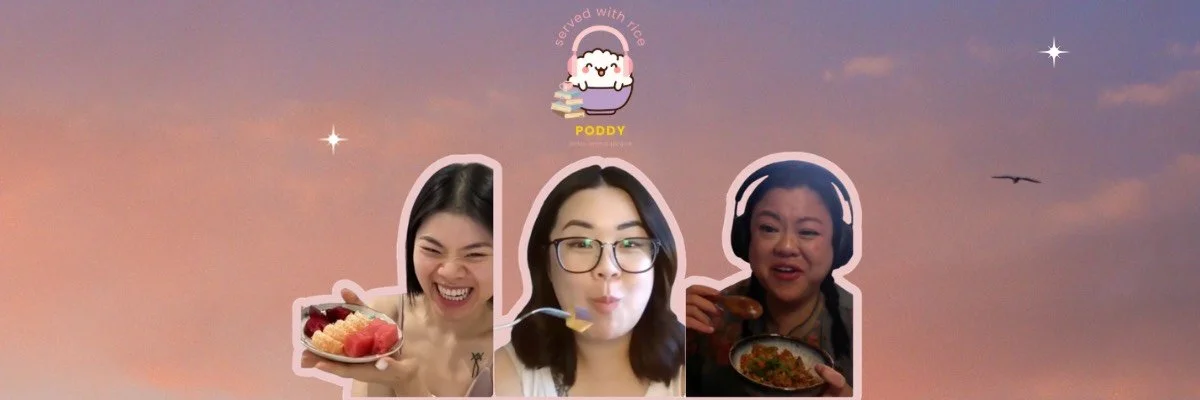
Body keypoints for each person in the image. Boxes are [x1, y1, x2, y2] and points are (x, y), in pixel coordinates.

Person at [300, 162, 495, 397]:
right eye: (433, 250)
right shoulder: (387, 316)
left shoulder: (517, 345)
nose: (450, 272)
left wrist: (407, 383)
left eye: (475, 254)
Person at [494, 164, 685, 397]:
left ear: (658, 264)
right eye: (581, 244)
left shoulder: (699, 372)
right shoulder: (502, 376)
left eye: (630, 243)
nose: (607, 268)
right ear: (546, 265)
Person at [685, 160, 856, 397]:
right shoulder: (708, 316)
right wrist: (665, 336)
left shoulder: (866, 324)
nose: (786, 247)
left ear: (839, 244)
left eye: (807, 231)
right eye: (768, 228)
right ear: (745, 238)